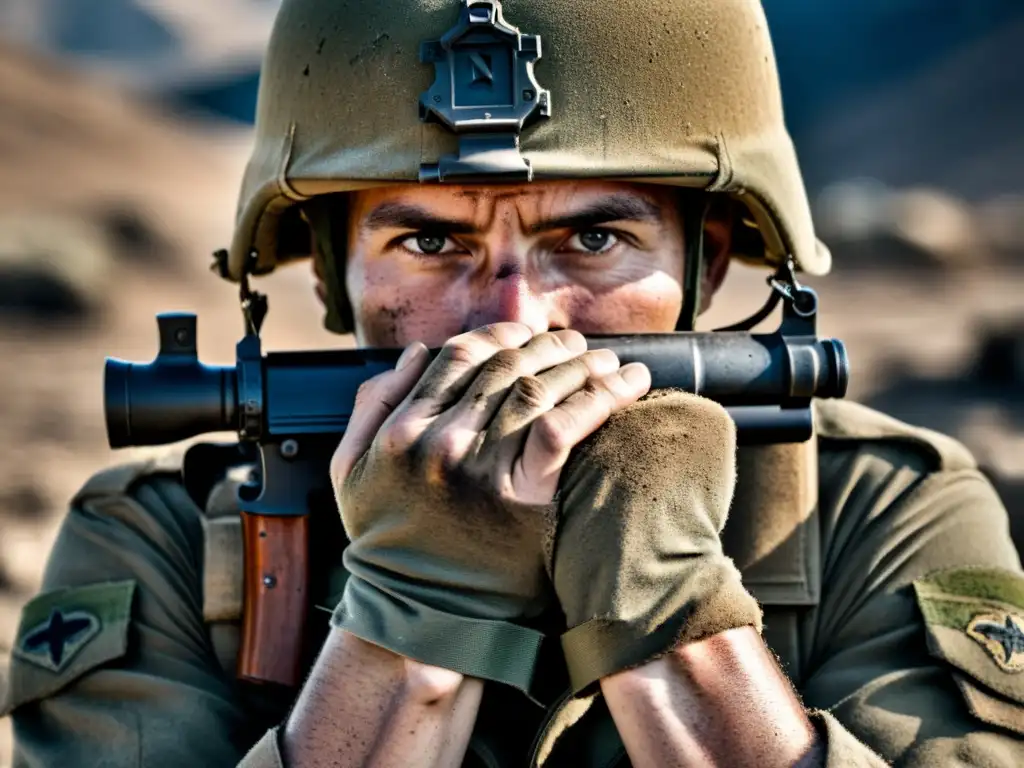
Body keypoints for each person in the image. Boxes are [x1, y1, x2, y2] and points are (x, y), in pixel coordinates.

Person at [4, 0, 1024, 765]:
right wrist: (408, 612)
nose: (512, 321)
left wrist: (667, 611)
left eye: (592, 238)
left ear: (708, 262)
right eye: (428, 240)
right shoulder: (168, 540)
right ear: (328, 270)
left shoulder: (872, 508)